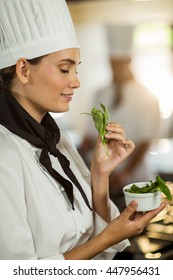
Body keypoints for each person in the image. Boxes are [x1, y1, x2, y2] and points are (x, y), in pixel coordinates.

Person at [0, 0, 167, 260]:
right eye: (65, 68)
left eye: (76, 69)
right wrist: (110, 236)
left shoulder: (59, 140)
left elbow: (92, 245)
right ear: (23, 70)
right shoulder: (5, 155)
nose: (76, 82)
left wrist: (100, 175)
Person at [79, 25, 161, 211]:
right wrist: (82, 151)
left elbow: (146, 141)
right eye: (112, 62)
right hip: (103, 183)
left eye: (119, 62)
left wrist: (125, 173)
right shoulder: (100, 93)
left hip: (136, 180)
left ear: (129, 60)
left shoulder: (147, 96)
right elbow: (90, 137)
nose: (115, 67)